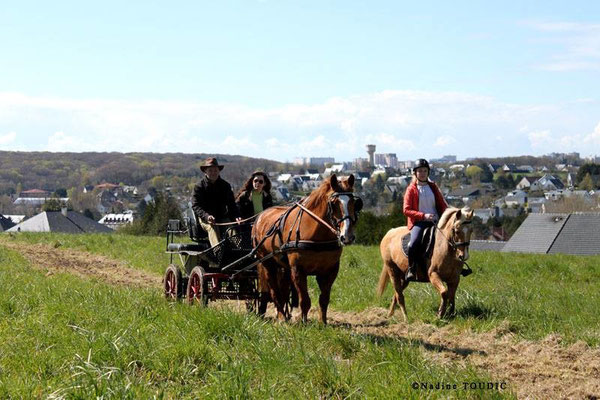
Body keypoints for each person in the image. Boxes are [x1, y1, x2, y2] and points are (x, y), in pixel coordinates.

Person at [403, 158, 448, 281]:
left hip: (436, 221)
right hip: (420, 222)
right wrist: (423, 215)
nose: (422, 173)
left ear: (428, 172)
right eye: (420, 171)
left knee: (452, 239)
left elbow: (442, 204)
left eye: (424, 171)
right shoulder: (411, 189)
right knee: (413, 244)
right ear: (415, 173)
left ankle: (456, 266)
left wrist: (448, 215)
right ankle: (412, 269)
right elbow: (406, 210)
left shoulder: (433, 187)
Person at [192, 157, 241, 246]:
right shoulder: (199, 186)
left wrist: (237, 216)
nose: (213, 173)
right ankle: (218, 252)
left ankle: (240, 251)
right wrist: (207, 216)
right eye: (210, 170)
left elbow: (231, 204)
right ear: (205, 171)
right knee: (212, 229)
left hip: (222, 217)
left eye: (215, 170)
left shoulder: (225, 186)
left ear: (219, 171)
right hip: (205, 219)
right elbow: (196, 206)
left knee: (232, 231)